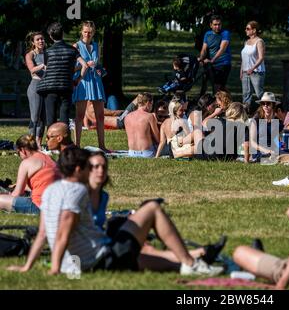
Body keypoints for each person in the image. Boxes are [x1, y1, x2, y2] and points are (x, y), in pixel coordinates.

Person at [7, 147, 223, 276]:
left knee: (135, 259)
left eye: (102, 167)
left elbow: (45, 233)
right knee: (152, 208)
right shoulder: (76, 191)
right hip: (95, 258)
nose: (97, 171)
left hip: (90, 257)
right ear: (81, 169)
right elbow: (64, 229)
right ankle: (191, 262)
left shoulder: (53, 191)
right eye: (92, 167)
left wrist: (28, 267)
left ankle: (193, 259)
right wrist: (55, 268)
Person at [36, 22, 87, 128]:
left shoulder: (47, 52)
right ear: (63, 34)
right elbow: (85, 65)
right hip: (66, 86)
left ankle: (51, 142)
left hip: (50, 87)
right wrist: (78, 79)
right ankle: (64, 141)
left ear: (50, 36)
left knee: (51, 118)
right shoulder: (72, 50)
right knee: (64, 118)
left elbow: (47, 68)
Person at [0, 135, 59, 214]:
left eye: (18, 153)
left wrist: (8, 195)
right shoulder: (49, 158)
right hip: (58, 205)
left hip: (40, 206)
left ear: (23, 150)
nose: (20, 156)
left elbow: (17, 194)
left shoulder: (26, 163)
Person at [72, 21, 108, 151]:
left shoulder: (96, 46)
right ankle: (76, 145)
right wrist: (84, 64)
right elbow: (71, 68)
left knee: (100, 116)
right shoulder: (75, 46)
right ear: (81, 32)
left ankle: (102, 145)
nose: (87, 34)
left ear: (94, 33)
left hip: (95, 81)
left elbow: (98, 63)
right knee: (80, 116)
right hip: (82, 81)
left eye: (90, 32)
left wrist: (99, 69)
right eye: (85, 31)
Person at [199, 15, 232, 95]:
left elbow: (222, 49)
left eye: (219, 24)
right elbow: (204, 49)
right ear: (210, 25)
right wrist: (201, 59)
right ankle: (202, 101)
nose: (217, 26)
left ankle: (222, 103)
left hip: (223, 63)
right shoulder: (207, 34)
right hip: (211, 64)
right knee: (205, 82)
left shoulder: (225, 33)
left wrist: (211, 60)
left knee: (218, 87)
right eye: (215, 24)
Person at [24, 31, 46, 149]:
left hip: (46, 86)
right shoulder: (30, 54)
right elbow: (32, 69)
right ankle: (29, 143)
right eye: (37, 39)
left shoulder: (47, 53)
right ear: (33, 42)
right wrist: (42, 66)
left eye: (42, 39)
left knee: (43, 118)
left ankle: (38, 143)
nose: (40, 41)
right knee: (35, 117)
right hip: (35, 86)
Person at [124, 92, 160, 158]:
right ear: (148, 103)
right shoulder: (149, 116)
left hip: (131, 153)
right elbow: (158, 139)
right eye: (152, 104)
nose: (152, 107)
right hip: (147, 153)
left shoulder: (127, 117)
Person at [250, 92, 282, 160]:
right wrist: (266, 151)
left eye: (268, 103)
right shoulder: (256, 120)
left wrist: (280, 146)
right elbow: (252, 142)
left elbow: (277, 141)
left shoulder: (277, 121)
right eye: (263, 104)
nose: (265, 106)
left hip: (273, 150)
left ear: (273, 105)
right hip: (259, 151)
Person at [241, 21, 265, 106]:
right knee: (246, 95)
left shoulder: (259, 41)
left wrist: (252, 68)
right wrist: (241, 71)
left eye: (248, 29)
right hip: (245, 72)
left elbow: (261, 57)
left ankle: (268, 112)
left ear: (254, 30)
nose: (246, 30)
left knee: (259, 94)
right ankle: (246, 114)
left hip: (256, 72)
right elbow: (244, 58)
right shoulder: (246, 42)